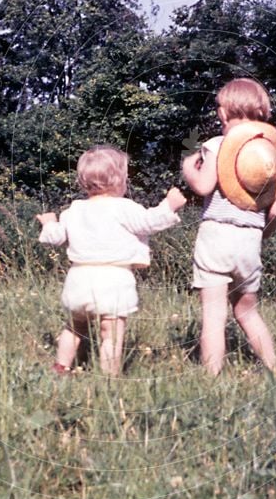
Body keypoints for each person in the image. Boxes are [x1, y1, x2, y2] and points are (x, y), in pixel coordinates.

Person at [37, 145, 186, 376]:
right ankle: (109, 379)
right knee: (111, 334)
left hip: (79, 279)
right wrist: (169, 205)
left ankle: (61, 367)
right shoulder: (124, 208)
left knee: (75, 327)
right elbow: (149, 222)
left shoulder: (73, 210)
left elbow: (55, 238)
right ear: (119, 180)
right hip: (113, 279)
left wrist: (48, 222)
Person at [182, 78, 276, 375]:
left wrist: (189, 168)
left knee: (214, 315)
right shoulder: (270, 157)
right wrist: (259, 237)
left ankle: (212, 378)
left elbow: (203, 187)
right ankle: (273, 369)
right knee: (247, 311)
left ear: (223, 113)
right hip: (250, 240)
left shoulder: (218, 144)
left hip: (217, 234)